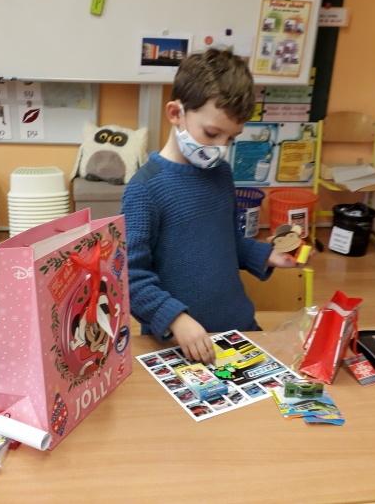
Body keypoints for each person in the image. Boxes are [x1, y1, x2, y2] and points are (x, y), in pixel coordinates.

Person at [122, 49, 297, 364]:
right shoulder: (144, 189)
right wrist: (175, 319)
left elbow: (225, 241)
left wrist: (266, 255)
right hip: (179, 342)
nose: (221, 149)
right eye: (212, 133)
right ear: (176, 113)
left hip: (238, 327)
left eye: (231, 138)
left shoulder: (221, 173)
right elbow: (130, 275)